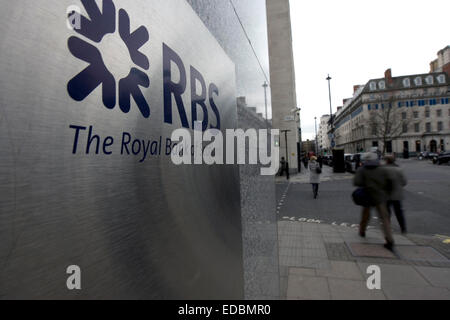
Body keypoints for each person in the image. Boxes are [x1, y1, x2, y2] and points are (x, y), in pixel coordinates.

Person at [353, 152, 395, 250]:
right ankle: (389, 239)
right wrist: (387, 192)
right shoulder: (382, 169)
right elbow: (390, 182)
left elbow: (357, 182)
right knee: (384, 219)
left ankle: (362, 231)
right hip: (380, 197)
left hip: (367, 196)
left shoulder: (362, 169)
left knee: (365, 215)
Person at [384, 155, 407, 234]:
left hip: (386, 195)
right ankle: (403, 228)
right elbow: (404, 182)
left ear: (387, 161)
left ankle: (387, 228)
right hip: (397, 195)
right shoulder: (399, 170)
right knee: (399, 212)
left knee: (386, 213)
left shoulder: (383, 170)